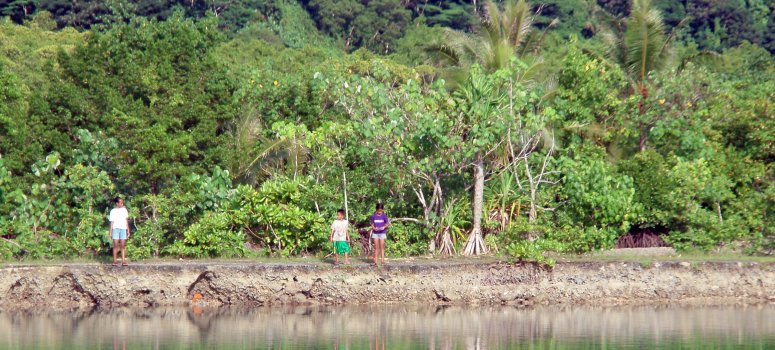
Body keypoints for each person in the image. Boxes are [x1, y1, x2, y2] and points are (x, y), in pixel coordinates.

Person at [108, 197, 130, 266]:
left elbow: (126, 221)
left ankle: (123, 261)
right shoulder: (113, 211)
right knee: (115, 245)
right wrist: (110, 232)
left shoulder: (124, 210)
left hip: (123, 229)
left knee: (123, 245)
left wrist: (128, 231)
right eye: (120, 202)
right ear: (117, 203)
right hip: (115, 229)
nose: (122, 204)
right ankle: (115, 261)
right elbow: (112, 223)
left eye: (122, 202)